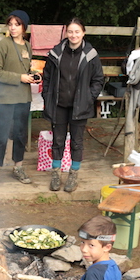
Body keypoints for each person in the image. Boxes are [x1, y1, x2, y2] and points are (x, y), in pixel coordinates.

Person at [41, 17, 104, 193]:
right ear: (65, 33)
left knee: (76, 142)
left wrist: (88, 98)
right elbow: (47, 77)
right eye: (70, 31)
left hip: (80, 106)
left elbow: (98, 80)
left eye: (77, 31)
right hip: (58, 104)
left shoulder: (91, 55)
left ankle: (73, 174)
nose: (73, 35)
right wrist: (47, 96)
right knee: (58, 140)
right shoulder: (56, 53)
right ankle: (56, 174)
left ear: (83, 32)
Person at [0, 10, 35, 188]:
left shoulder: (28, 47)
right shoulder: (3, 46)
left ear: (24, 27)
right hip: (6, 98)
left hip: (24, 97)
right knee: (1, 135)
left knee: (21, 134)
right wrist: (19, 78)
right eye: (11, 24)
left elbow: (26, 69)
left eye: (17, 24)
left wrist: (32, 76)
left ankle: (18, 167)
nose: (13, 28)